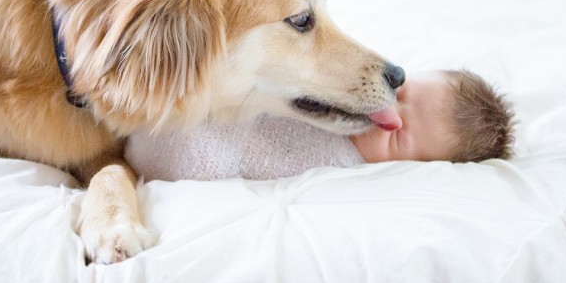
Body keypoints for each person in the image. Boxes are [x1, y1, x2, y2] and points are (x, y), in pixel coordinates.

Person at [125, 69, 515, 182]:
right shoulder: (354, 86)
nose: (390, 115)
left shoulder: (346, 171)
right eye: (403, 92)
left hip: (185, 149)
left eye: (400, 137)